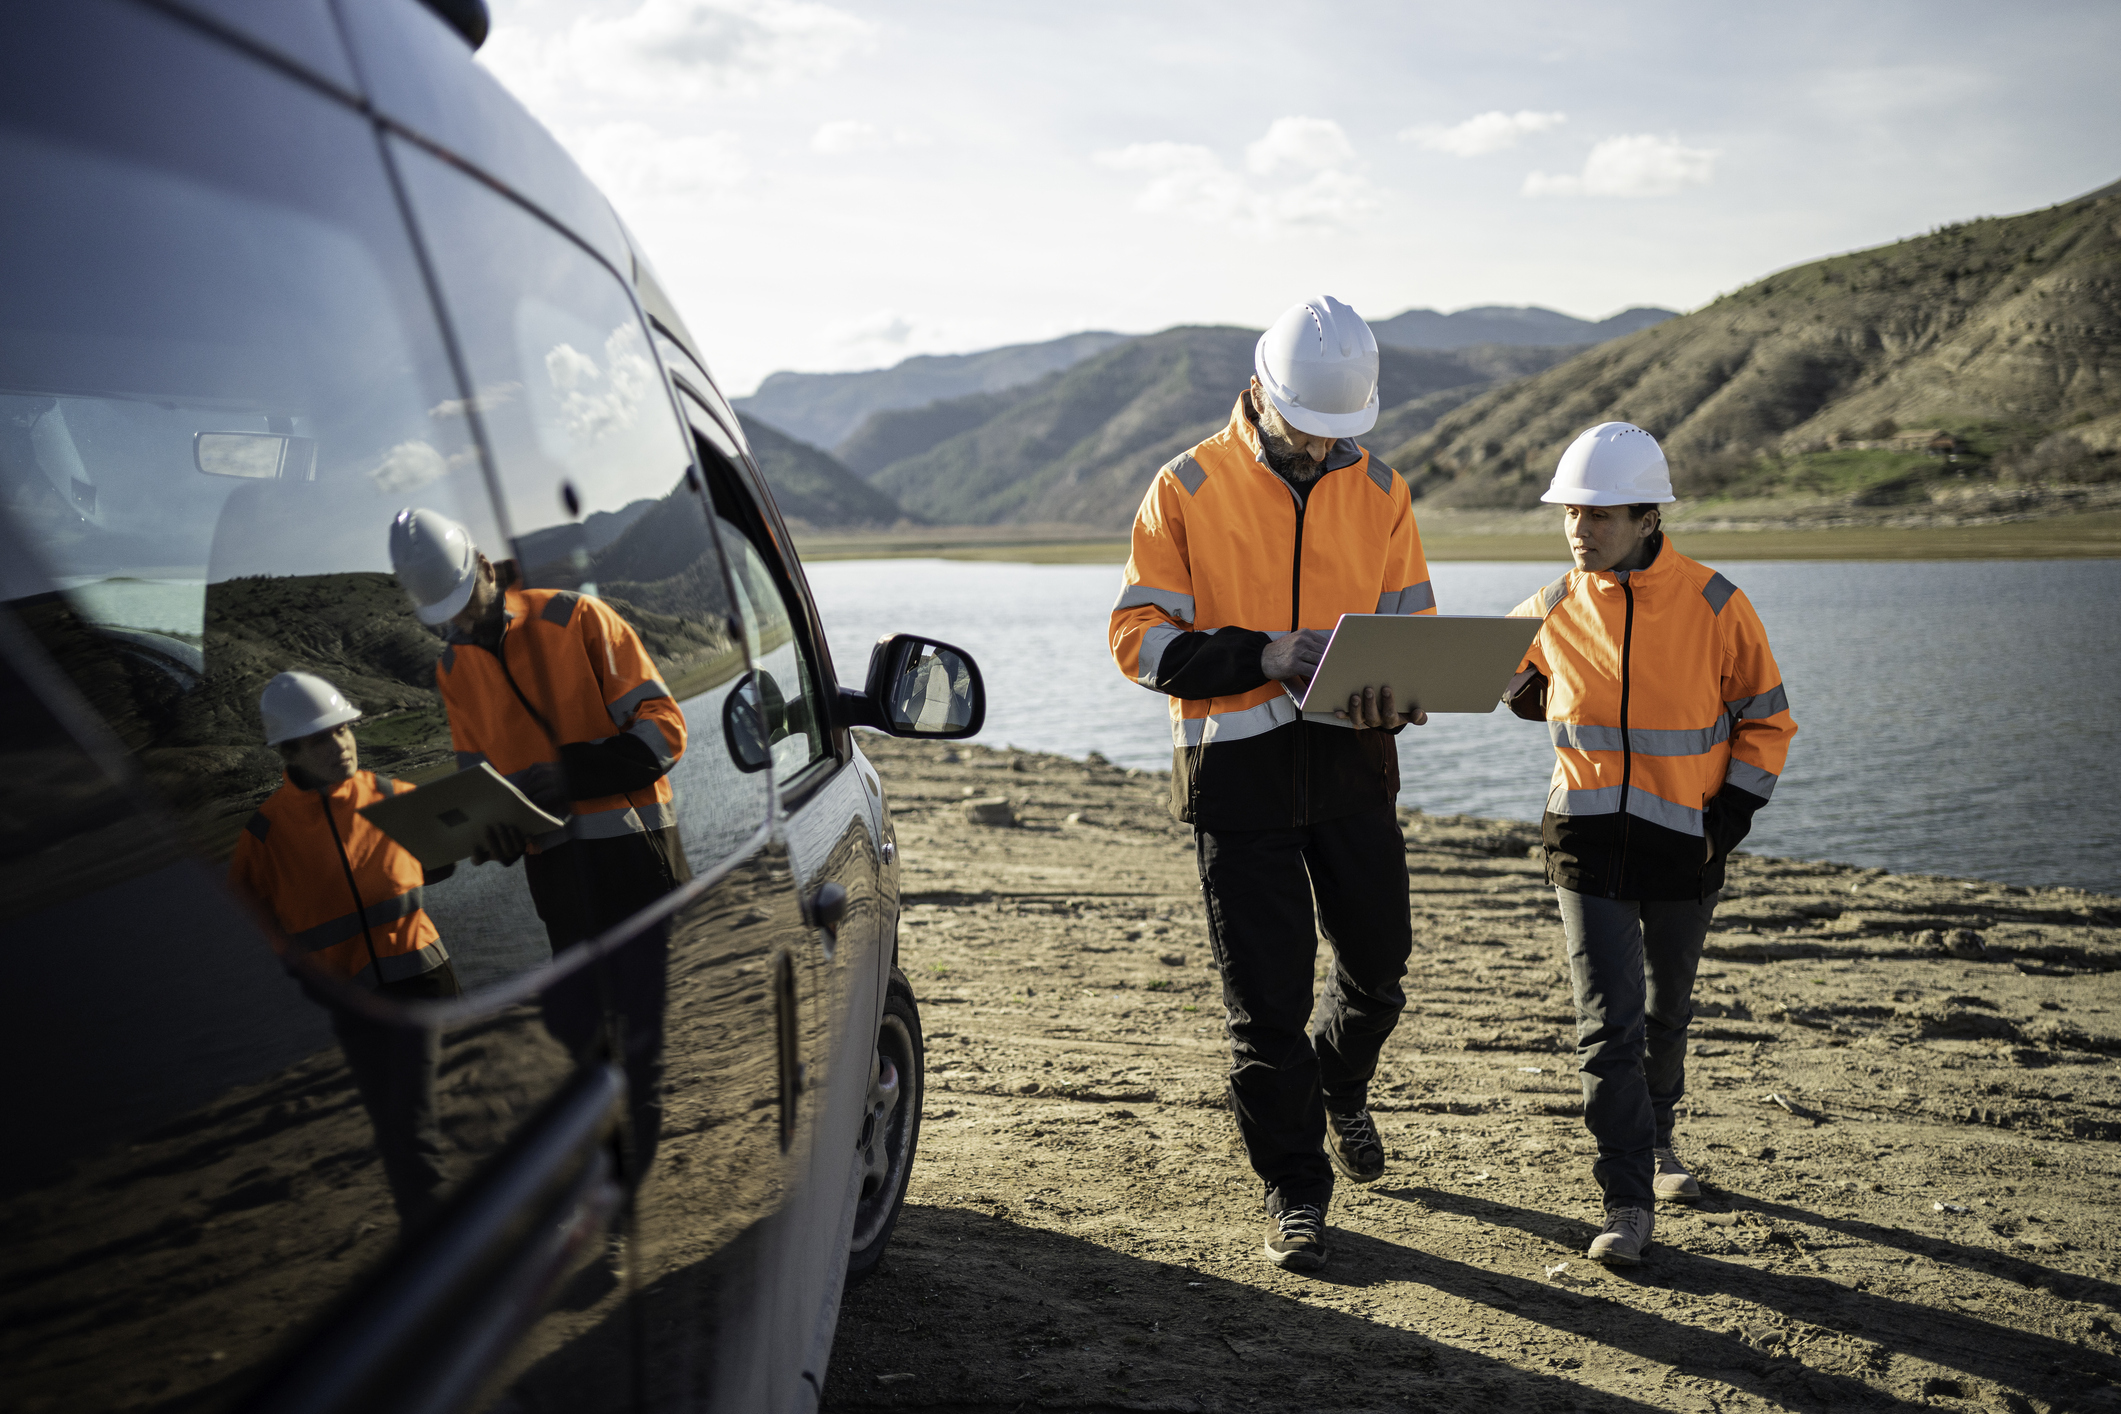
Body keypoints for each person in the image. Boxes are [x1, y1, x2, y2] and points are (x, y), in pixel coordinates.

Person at [1109, 296, 1434, 1272]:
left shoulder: (1381, 488)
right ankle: (1295, 1187)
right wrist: (1261, 652)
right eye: (1307, 430)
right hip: (1236, 777)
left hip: (1352, 762)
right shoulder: (1184, 486)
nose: (1320, 450)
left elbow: (1413, 626)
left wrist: (1404, 691)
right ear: (1260, 392)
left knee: (1381, 966)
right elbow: (1137, 639)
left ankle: (1340, 1081)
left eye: (1340, 434)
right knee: (1265, 1007)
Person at [1504, 422, 1797, 1265]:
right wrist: (1513, 690)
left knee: (1666, 1011)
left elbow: (1766, 722)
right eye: (1569, 513)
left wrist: (1722, 828)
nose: (1577, 530)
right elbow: (1506, 681)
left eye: (1597, 515)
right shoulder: (1553, 603)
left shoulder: (1715, 603)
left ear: (1646, 519)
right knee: (1606, 1030)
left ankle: (1660, 1138)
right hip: (1584, 848)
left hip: (1685, 848)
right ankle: (1626, 1199)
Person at [386, 507, 691, 951]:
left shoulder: (577, 617)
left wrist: (575, 774)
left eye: (466, 602)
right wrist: (495, 837)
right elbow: (482, 787)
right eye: (448, 615)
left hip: (642, 862)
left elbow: (667, 730)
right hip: (560, 893)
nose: (463, 623)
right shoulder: (453, 670)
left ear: (487, 569)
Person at [227, 670, 459, 1223]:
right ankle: (430, 1238)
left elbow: (443, 858)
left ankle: (458, 1235)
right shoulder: (264, 838)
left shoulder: (392, 797)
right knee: (400, 1127)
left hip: (428, 982)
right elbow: (244, 917)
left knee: (434, 1113)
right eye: (321, 738)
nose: (340, 745)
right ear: (288, 751)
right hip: (356, 1007)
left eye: (344, 730)